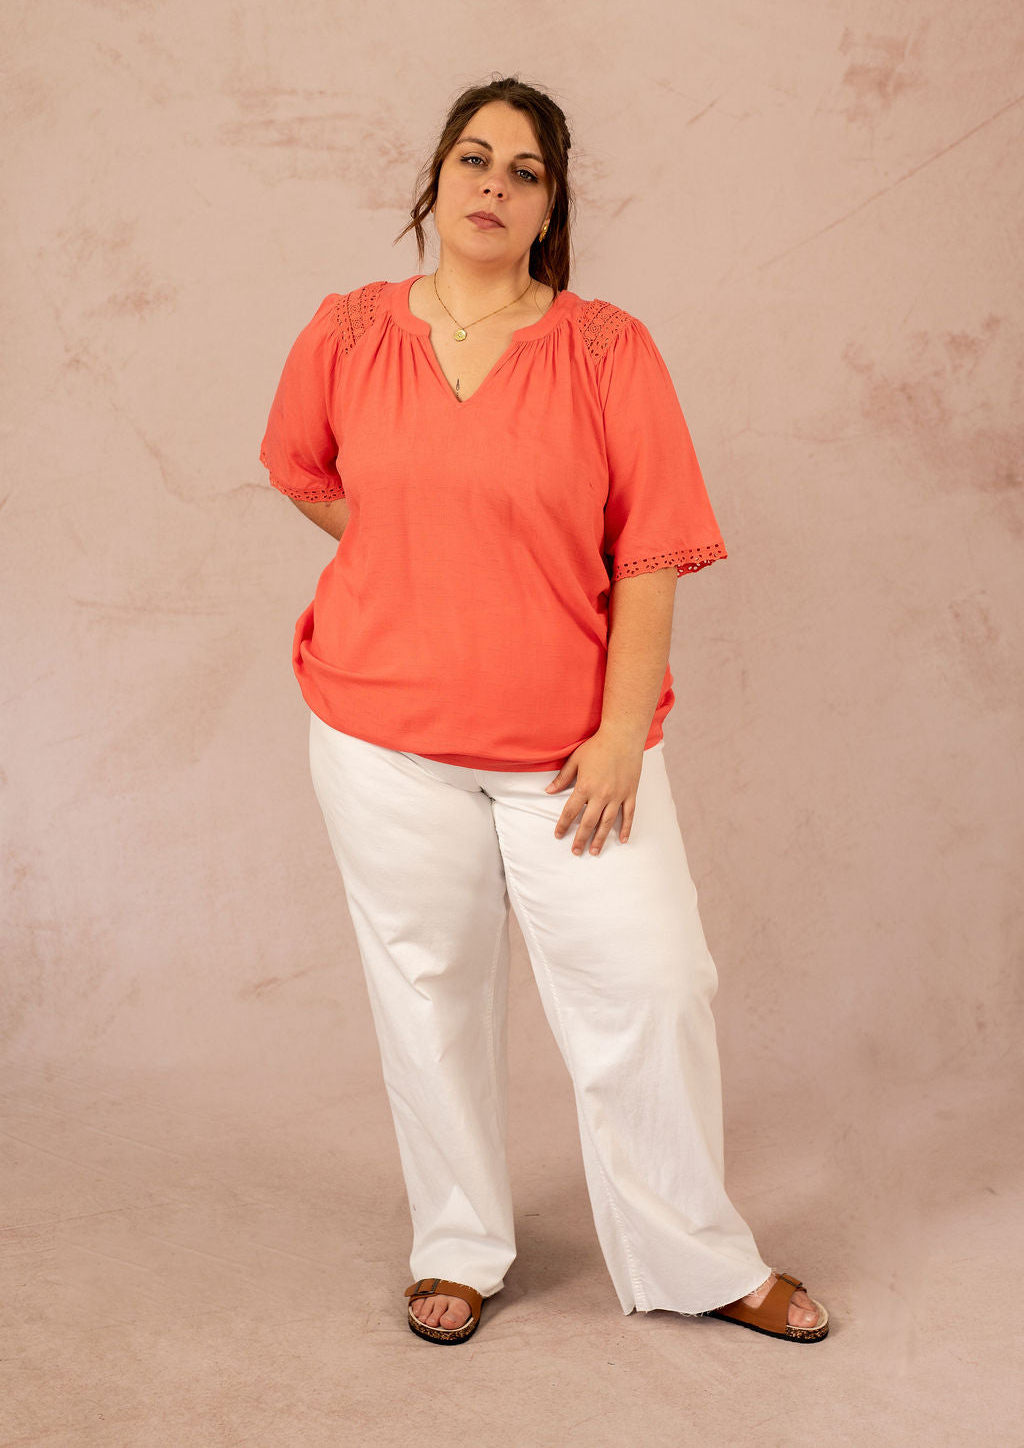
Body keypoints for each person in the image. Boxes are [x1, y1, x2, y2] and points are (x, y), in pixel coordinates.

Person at [259, 76, 830, 1347]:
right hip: (381, 736)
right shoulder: (347, 332)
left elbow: (651, 551)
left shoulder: (605, 350)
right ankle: (456, 1244)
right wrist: (409, 554)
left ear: (548, 208)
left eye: (524, 171)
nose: (493, 185)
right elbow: (303, 469)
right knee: (428, 992)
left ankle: (694, 1254)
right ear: (435, 178)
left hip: (571, 753)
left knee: (655, 981)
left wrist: (622, 733)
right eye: (474, 159)